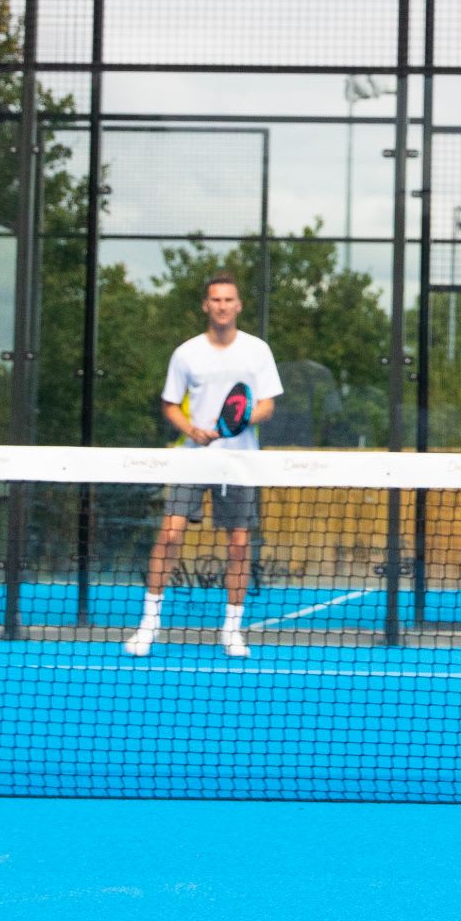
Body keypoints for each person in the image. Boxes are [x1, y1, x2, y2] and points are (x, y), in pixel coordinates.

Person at [128, 273, 282, 659]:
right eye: (216, 300)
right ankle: (149, 626)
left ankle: (232, 630)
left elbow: (266, 403)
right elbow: (168, 404)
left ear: (239, 305)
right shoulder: (186, 353)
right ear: (205, 305)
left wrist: (240, 422)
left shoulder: (257, 351)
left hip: (241, 462)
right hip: (192, 460)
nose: (222, 306)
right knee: (169, 536)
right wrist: (191, 430)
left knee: (239, 544)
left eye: (229, 300)